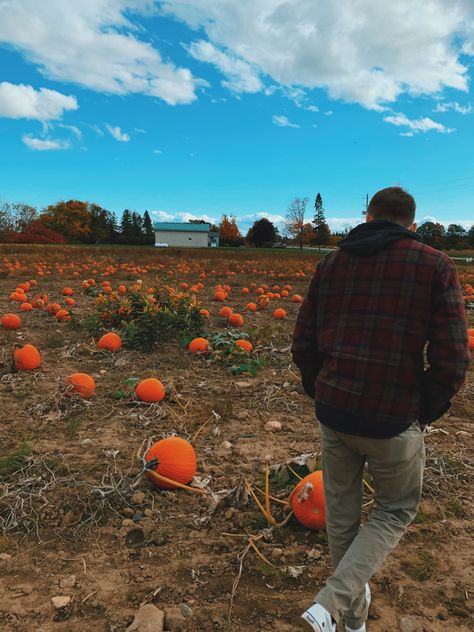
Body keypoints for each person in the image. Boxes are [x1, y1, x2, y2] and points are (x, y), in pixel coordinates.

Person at [291, 187, 471, 632]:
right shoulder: (434, 265)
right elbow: (452, 357)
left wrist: (322, 390)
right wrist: (422, 411)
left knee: (343, 518)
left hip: (336, 412)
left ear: (367, 215)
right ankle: (335, 603)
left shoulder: (331, 262)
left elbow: (303, 341)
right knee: (394, 510)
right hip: (393, 420)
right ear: (412, 224)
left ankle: (350, 622)